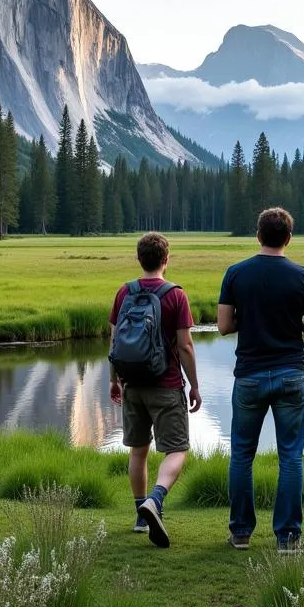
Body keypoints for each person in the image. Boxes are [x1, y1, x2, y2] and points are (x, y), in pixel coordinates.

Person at [218, 207, 304, 554]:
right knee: (291, 457)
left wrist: (249, 320)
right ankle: (288, 538)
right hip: (292, 372)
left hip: (249, 374)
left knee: (242, 454)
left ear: (258, 235)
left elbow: (223, 325)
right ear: (288, 238)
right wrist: (293, 324)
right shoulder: (303, 275)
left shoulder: (235, 273)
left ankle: (241, 533)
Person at [109, 232, 201, 548]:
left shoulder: (124, 293)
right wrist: (195, 385)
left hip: (132, 384)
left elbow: (114, 342)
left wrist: (113, 380)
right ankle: (156, 500)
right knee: (176, 449)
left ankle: (139, 515)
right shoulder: (175, 295)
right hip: (166, 384)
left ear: (139, 259)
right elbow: (185, 345)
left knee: (138, 449)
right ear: (166, 259)